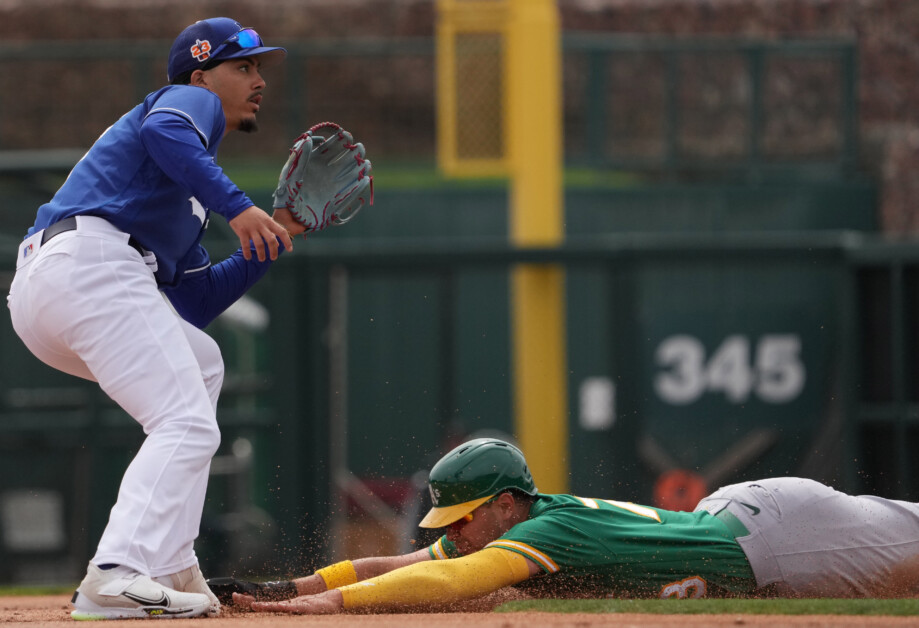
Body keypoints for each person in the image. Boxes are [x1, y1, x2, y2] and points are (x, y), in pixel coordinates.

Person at [6, 17, 305, 620]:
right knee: (187, 422)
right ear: (201, 75)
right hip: (88, 265)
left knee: (202, 362)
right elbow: (167, 128)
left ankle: (168, 562)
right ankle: (116, 572)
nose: (258, 81)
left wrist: (276, 235)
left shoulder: (185, 200)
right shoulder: (185, 102)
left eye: (259, 69)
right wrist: (242, 209)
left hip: (58, 289)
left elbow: (193, 306)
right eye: (242, 67)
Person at [217, 438, 919, 614]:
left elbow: (456, 578)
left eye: (459, 520)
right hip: (742, 524)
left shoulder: (542, 536)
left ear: (502, 504)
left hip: (782, 539)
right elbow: (403, 566)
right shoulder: (508, 524)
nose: (450, 534)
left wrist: (319, 607)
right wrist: (285, 588)